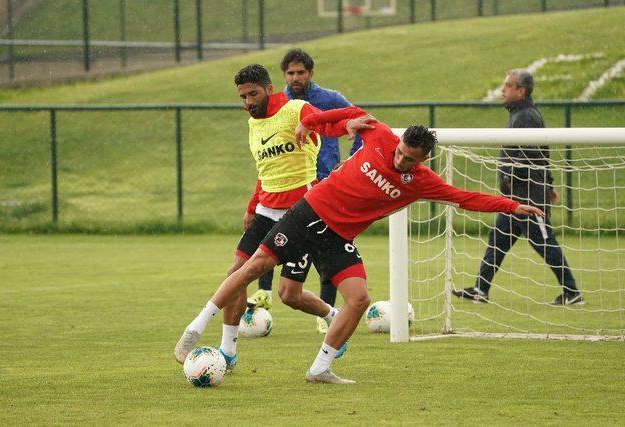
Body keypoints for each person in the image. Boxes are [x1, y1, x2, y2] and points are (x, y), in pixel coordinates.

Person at [174, 104, 544, 384]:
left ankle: (320, 369)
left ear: (424, 159)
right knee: (254, 267)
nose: (401, 159)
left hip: (338, 238)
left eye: (410, 159)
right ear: (397, 142)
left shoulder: (423, 181)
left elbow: (465, 198)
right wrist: (313, 124)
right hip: (308, 214)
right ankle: (196, 326)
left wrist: (513, 206)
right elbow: (347, 113)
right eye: (401, 152)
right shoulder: (380, 134)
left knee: (359, 298)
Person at [174, 64, 349, 370]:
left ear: (269, 89)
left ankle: (332, 316)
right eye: (243, 97)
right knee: (237, 272)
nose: (248, 102)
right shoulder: (254, 123)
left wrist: (347, 129)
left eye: (253, 94)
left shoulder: (296, 109)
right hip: (265, 212)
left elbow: (330, 123)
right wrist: (252, 204)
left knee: (289, 295)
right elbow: (264, 170)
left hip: (300, 215)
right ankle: (227, 350)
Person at [248, 48, 363, 334]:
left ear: (311, 73)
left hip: (326, 184)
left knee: (323, 247)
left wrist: (348, 163)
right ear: (283, 76)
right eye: (290, 73)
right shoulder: (279, 103)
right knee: (272, 236)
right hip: (291, 185)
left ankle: (326, 309)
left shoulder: (330, 99)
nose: (296, 77)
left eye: (301, 72)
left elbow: (356, 126)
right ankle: (265, 292)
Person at [452, 69, 582, 306]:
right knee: (498, 239)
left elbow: (534, 155)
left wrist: (516, 176)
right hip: (515, 196)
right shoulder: (519, 114)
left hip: (528, 195)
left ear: (520, 91)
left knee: (543, 241)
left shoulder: (526, 117)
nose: (503, 90)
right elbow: (541, 153)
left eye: (508, 86)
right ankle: (481, 289)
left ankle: (572, 292)